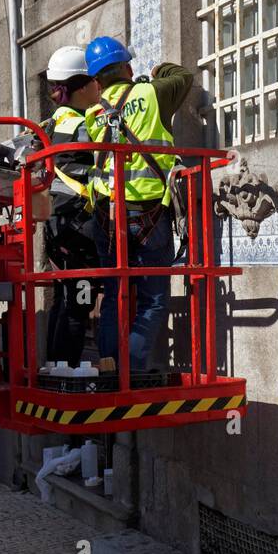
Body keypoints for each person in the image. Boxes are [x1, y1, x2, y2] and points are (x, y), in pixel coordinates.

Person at [82, 36, 192, 373]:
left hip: (105, 214)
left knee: (114, 292)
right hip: (148, 214)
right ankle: (131, 370)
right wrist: (160, 71)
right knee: (153, 300)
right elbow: (184, 77)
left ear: (97, 82)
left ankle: (109, 367)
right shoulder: (152, 93)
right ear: (129, 68)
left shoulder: (92, 113)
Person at [41, 46, 101, 366]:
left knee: (63, 301)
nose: (99, 85)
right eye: (94, 79)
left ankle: (55, 366)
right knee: (79, 304)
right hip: (77, 225)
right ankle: (70, 372)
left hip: (57, 224)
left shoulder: (50, 123)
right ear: (80, 87)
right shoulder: (80, 125)